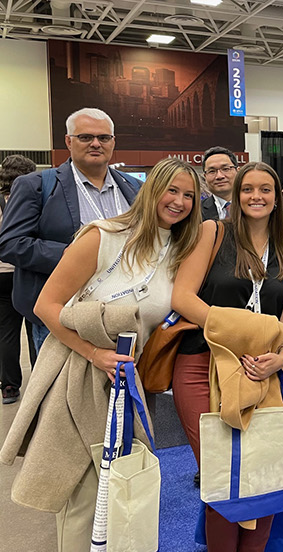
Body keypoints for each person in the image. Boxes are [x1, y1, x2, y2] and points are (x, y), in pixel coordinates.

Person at [2, 157, 202, 551]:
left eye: (189, 195)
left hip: (128, 379)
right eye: (171, 190)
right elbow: (46, 305)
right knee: (84, 490)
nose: (179, 201)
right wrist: (94, 353)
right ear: (150, 191)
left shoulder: (179, 248)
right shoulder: (103, 235)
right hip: (79, 370)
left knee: (121, 486)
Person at [171, 162, 283, 552]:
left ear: (278, 198)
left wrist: (280, 357)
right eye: (248, 189)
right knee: (222, 475)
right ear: (236, 194)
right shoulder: (213, 232)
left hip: (261, 375)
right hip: (200, 366)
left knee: (264, 475)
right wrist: (240, 330)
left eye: (265, 189)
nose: (256, 197)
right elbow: (182, 298)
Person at [0, 107, 141, 354]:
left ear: (113, 142)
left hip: (124, 311)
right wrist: (75, 257)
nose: (96, 144)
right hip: (62, 314)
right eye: (85, 137)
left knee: (123, 387)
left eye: (103, 138)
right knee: (61, 392)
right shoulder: (36, 186)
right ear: (68, 141)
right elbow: (11, 243)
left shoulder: (135, 187)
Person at [0, 154, 38, 403]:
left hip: (1, 276)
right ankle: (40, 382)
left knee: (6, 331)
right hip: (28, 271)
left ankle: (9, 387)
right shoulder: (33, 199)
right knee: (35, 326)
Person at [200, 146, 239, 221]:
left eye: (225, 169)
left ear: (238, 171)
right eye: (212, 171)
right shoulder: (196, 211)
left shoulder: (252, 206)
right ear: (205, 177)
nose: (219, 176)